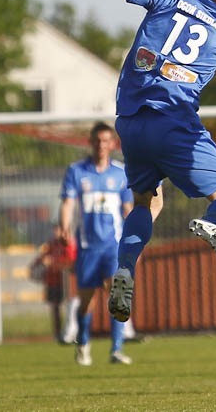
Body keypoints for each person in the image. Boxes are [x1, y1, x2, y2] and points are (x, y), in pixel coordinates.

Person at [47, 0, 216, 327]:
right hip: (176, 121)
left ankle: (125, 269)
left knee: (147, 202)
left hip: (131, 124)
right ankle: (211, 223)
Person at [58, 122, 162, 366]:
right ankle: (82, 342)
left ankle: (116, 349)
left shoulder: (121, 173)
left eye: (106, 141)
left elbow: (128, 209)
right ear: (90, 142)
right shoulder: (77, 171)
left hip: (113, 246)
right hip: (87, 246)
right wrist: (64, 227)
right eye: (97, 140)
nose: (101, 145)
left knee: (117, 296)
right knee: (86, 301)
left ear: (112, 144)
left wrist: (135, 242)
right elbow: (68, 203)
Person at [29, 225, 77, 344]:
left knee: (70, 308)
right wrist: (39, 265)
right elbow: (41, 259)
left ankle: (71, 333)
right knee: (55, 308)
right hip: (53, 282)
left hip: (66, 283)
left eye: (58, 230)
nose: (55, 232)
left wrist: (53, 262)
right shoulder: (51, 245)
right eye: (54, 229)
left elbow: (71, 261)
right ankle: (58, 334)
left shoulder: (68, 244)